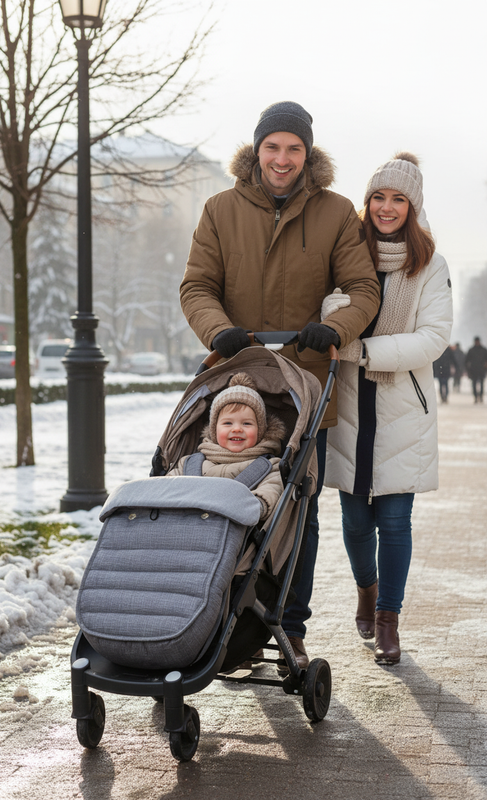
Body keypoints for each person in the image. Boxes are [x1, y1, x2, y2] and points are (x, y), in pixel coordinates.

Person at [180, 101, 381, 668]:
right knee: (211, 496)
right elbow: (197, 286)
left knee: (299, 507)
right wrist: (220, 332)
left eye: (294, 148)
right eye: (274, 147)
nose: (283, 158)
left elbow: (363, 288)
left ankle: (290, 624)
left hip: (304, 382)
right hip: (232, 377)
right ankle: (204, 613)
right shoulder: (220, 210)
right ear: (257, 151)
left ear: (308, 154)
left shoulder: (337, 212)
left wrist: (333, 327)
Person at [324, 152, 453, 665]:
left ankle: (388, 619)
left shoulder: (431, 265)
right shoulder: (346, 253)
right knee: (356, 522)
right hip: (351, 403)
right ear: (367, 201)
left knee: (395, 523)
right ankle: (366, 591)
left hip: (403, 406)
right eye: (379, 196)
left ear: (412, 207)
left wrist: (363, 349)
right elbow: (329, 308)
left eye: (398, 198)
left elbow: (433, 337)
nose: (386, 207)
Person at [169, 372, 286, 524]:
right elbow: (167, 487)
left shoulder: (270, 467)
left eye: (247, 423)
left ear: (261, 430)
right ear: (214, 430)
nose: (237, 429)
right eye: (228, 423)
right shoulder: (189, 464)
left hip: (236, 531)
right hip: (187, 527)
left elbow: (271, 489)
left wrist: (257, 505)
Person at [465, 337, 487, 403]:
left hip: (481, 369)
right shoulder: (471, 350)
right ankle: (475, 397)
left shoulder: (483, 350)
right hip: (473, 370)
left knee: (481, 384)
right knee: (474, 384)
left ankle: (480, 396)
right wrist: (468, 369)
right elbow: (466, 360)